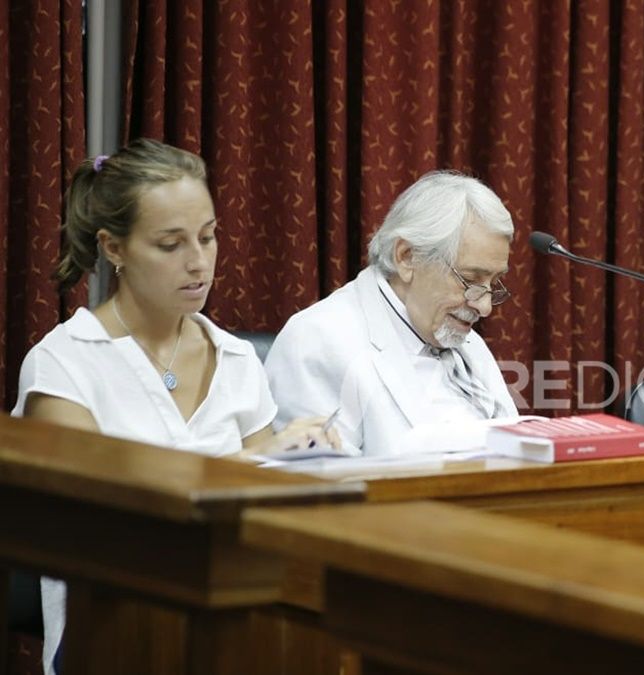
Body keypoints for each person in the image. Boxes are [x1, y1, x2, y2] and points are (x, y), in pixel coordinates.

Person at [11, 138, 335, 675]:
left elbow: (264, 510)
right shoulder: (64, 364)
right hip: (112, 629)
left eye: (208, 238)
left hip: (230, 611)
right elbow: (94, 527)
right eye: (170, 244)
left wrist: (305, 460)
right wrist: (245, 467)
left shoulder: (236, 359)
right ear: (113, 248)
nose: (198, 262)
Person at [266, 170, 517, 455]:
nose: (484, 307)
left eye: (493, 284)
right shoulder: (317, 340)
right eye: (471, 280)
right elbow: (322, 485)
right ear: (407, 258)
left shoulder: (464, 338)